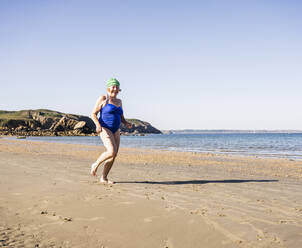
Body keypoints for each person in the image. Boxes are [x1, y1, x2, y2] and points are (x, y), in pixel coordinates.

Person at [90, 78, 132, 184]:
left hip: (116, 130)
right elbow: (93, 114)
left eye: (117, 86)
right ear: (108, 88)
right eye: (113, 86)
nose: (115, 88)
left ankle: (104, 178)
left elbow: (121, 116)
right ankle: (95, 164)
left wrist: (126, 123)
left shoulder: (119, 101)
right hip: (104, 128)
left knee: (114, 155)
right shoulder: (103, 98)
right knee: (111, 151)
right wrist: (97, 125)